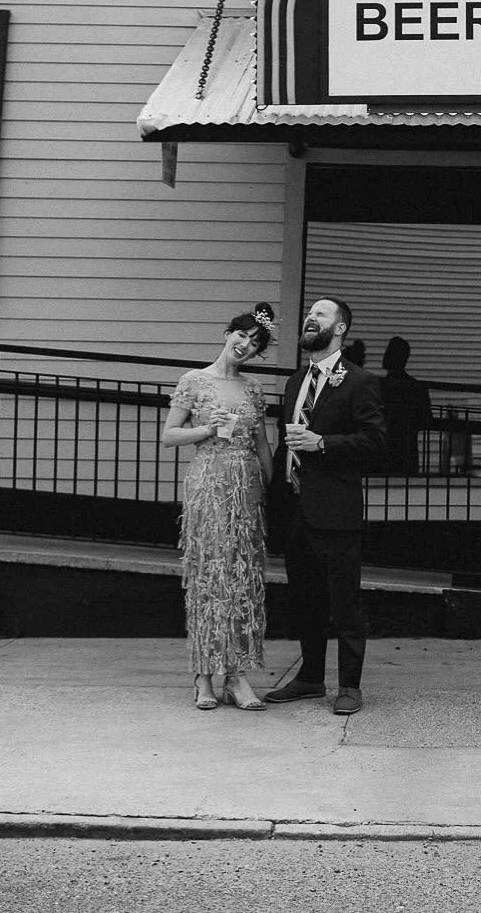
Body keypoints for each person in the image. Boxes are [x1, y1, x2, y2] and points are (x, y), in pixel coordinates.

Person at [266, 297, 386, 715]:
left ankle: (349, 686)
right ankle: (311, 678)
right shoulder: (295, 382)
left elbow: (376, 441)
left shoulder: (359, 381)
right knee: (305, 598)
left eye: (319, 314)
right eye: (308, 314)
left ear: (339, 329)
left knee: (344, 603)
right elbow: (286, 443)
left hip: (336, 511)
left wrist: (323, 443)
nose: (309, 318)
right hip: (297, 508)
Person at [162, 302, 275, 711]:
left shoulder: (253, 388)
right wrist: (206, 428)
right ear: (227, 334)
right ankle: (204, 674)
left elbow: (263, 443)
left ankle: (238, 675)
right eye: (241, 335)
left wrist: (268, 484)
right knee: (211, 575)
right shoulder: (194, 380)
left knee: (243, 578)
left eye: (255, 342)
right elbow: (169, 435)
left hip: (245, 484)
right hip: (209, 482)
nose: (245, 344)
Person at [381, 335, 432, 473]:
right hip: (407, 449)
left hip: (384, 450)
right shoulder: (416, 387)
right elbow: (426, 418)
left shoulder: (379, 387)